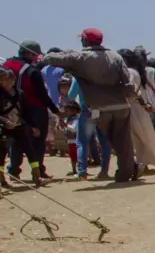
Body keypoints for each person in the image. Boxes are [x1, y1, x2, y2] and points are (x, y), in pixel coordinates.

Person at [41, 28, 137, 182]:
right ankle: (125, 172)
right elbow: (129, 83)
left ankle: (84, 171)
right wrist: (129, 98)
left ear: (84, 40)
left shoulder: (79, 57)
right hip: (121, 106)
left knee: (90, 140)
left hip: (98, 109)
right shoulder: (115, 56)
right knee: (122, 142)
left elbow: (48, 59)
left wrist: (67, 52)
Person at [5, 40, 60, 181]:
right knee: (37, 141)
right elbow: (42, 95)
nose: (36, 58)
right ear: (30, 54)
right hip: (34, 109)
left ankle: (13, 171)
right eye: (35, 55)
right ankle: (38, 171)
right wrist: (55, 109)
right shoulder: (32, 71)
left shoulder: (6, 65)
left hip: (11, 110)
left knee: (16, 140)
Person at [120, 49, 155, 171]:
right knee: (142, 136)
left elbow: (133, 91)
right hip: (138, 107)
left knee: (137, 137)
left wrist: (143, 103)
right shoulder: (136, 72)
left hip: (134, 106)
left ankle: (142, 164)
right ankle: (143, 163)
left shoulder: (129, 72)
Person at [67, 76, 111, 180]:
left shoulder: (78, 76)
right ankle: (104, 171)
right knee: (104, 142)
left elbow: (70, 96)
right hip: (103, 110)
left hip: (87, 110)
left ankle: (82, 172)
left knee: (82, 142)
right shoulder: (102, 73)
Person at [0, 67, 38, 187]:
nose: (6, 82)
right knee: (1, 152)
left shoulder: (20, 94)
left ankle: (37, 174)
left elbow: (26, 112)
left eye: (8, 80)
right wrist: (5, 121)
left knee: (29, 149)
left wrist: (33, 126)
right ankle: (2, 178)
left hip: (18, 125)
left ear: (13, 80)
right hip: (3, 128)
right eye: (3, 80)